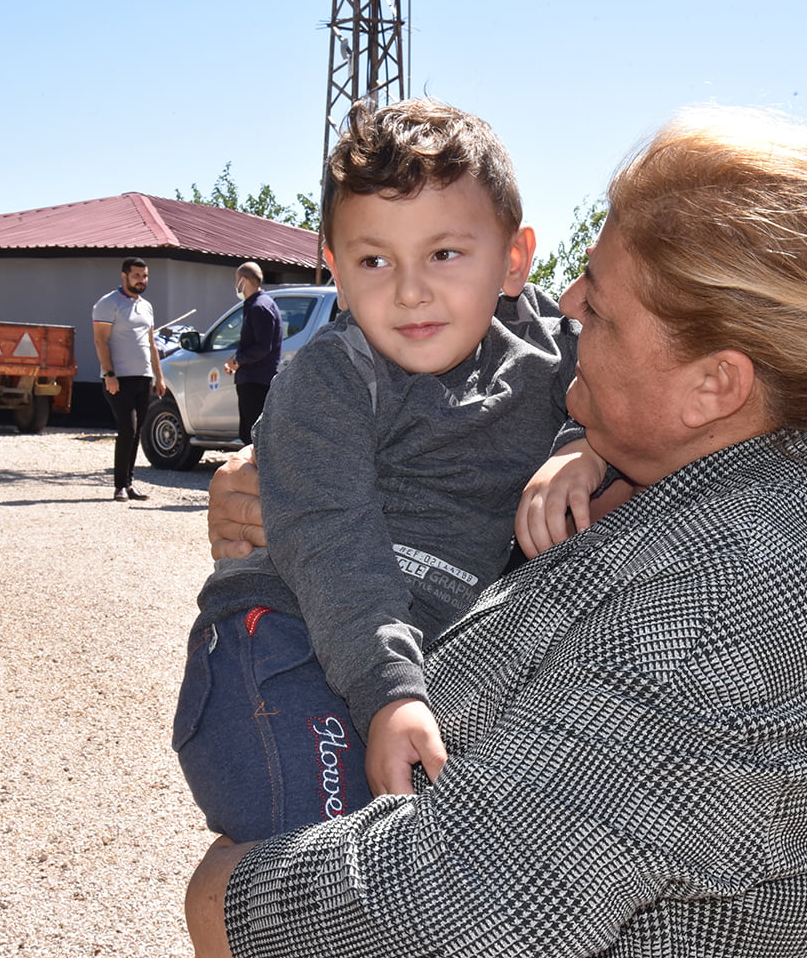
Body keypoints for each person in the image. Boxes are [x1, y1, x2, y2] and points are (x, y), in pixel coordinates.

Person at [184, 106, 807, 957]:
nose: (567, 305)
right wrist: (285, 494)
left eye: (603, 311)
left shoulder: (729, 612)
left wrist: (226, 899)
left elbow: (466, 907)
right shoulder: (797, 435)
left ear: (713, 386)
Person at [174, 99, 591, 847]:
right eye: (374, 260)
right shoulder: (331, 378)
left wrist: (578, 446)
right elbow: (337, 547)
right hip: (286, 644)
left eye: (445, 254)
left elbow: (617, 391)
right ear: (332, 266)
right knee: (329, 873)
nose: (408, 290)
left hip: (409, 669)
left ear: (515, 258)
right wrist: (391, 695)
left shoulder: (551, 360)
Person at [92, 256, 165, 501]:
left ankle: (130, 484)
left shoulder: (147, 306)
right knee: (127, 428)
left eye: (144, 276)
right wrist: (109, 374)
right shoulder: (107, 304)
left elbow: (151, 344)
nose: (141, 281)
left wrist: (159, 376)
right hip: (119, 378)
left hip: (143, 377)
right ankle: (119, 485)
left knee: (137, 431)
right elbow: (100, 340)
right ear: (124, 276)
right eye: (136, 276)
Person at [221, 261, 282, 445]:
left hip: (256, 380)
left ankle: (257, 474)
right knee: (250, 435)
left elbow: (262, 347)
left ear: (244, 280)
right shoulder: (259, 304)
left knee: (253, 437)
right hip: (254, 379)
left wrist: (237, 360)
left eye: (236, 281)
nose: (235, 286)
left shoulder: (259, 307)